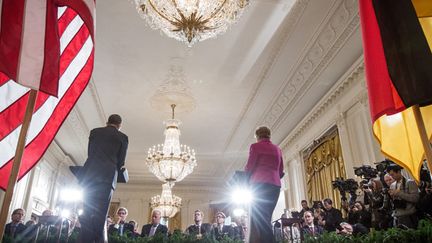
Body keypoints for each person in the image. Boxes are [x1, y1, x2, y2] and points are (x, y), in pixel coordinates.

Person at [78, 114, 129, 243]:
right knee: (101, 215)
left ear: (107, 122)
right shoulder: (123, 137)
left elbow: (91, 153)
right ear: (119, 125)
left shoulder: (95, 132)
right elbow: (121, 162)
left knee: (87, 211)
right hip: (107, 178)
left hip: (90, 176)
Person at [245, 126, 284, 243]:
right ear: (269, 135)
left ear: (257, 136)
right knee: (265, 218)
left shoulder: (255, 146)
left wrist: (246, 177)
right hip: (275, 187)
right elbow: (281, 170)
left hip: (259, 185)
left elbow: (249, 166)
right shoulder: (277, 149)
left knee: (261, 220)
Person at [387, 164, 419, 228]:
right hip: (397, 216)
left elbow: (415, 198)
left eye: (392, 174)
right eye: (390, 175)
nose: (392, 177)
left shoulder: (410, 182)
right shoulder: (392, 185)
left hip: (409, 215)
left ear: (398, 172)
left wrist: (399, 194)